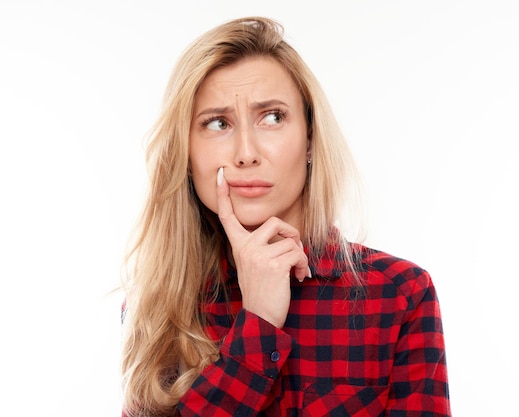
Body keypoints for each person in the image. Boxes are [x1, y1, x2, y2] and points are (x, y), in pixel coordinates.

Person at [120, 16, 451, 417]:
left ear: (310, 138)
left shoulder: (399, 295)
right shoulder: (157, 307)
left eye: (272, 117)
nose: (245, 152)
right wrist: (257, 322)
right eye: (217, 123)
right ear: (187, 156)